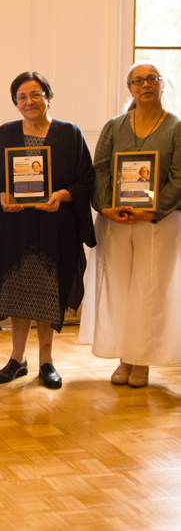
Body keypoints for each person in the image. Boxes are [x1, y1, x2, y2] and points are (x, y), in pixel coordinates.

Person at [0, 71, 95, 389]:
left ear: (48, 97)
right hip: (14, 228)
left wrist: (63, 195)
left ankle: (47, 361)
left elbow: (87, 179)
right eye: (22, 97)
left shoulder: (69, 134)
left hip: (54, 228)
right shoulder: (5, 134)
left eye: (35, 94)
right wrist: (1, 196)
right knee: (17, 291)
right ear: (15, 103)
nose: (29, 101)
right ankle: (17, 358)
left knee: (48, 292)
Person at [79, 62, 181, 387]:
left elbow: (179, 178)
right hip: (116, 222)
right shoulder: (114, 126)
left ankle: (141, 360)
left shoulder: (176, 127)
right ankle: (124, 357)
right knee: (120, 289)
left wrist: (153, 211)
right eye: (138, 80)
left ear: (161, 84)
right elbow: (100, 170)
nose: (145, 84)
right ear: (130, 88)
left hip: (158, 224)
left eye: (152, 79)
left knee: (148, 292)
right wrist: (106, 208)